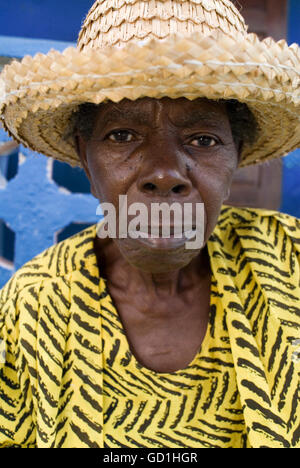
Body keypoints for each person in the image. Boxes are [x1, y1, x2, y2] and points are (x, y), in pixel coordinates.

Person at [0, 0, 299, 449]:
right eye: (123, 135)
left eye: (203, 139)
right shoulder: (32, 306)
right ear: (85, 154)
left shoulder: (291, 262)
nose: (164, 173)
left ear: (236, 154)